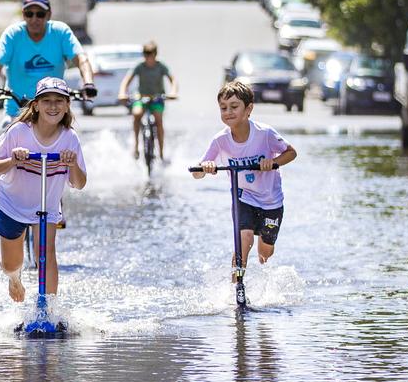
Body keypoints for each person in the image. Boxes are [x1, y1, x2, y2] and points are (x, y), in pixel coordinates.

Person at [0, 77, 87, 302]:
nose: (53, 107)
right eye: (47, 101)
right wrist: (13, 159)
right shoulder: (18, 132)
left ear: (67, 105)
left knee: (47, 253)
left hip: (46, 205)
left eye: (59, 101)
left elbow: (79, 184)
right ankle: (14, 280)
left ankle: (48, 309)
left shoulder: (70, 138)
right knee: (11, 264)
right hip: (12, 203)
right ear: (36, 105)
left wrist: (72, 164)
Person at [193, 80, 297, 274]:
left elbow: (291, 153)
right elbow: (197, 173)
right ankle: (237, 287)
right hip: (243, 197)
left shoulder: (265, 133)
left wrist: (273, 163)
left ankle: (264, 251)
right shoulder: (220, 140)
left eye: (234, 107)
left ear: (249, 109)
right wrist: (205, 167)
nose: (228, 112)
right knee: (244, 239)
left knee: (265, 253)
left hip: (270, 200)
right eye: (223, 108)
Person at [0, 0, 96, 128]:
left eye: (40, 14)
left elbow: (81, 59)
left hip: (52, 112)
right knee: (6, 141)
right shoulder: (13, 34)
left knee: (67, 141)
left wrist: (88, 83)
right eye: (29, 14)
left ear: (48, 14)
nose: (34, 19)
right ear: (23, 15)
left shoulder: (60, 32)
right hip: (17, 111)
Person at [118, 40, 179, 161]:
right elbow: (127, 80)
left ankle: (161, 152)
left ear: (155, 55)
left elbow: (173, 80)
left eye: (150, 55)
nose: (148, 58)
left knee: (158, 119)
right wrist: (122, 92)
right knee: (136, 114)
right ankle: (136, 146)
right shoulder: (139, 66)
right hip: (142, 97)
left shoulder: (161, 66)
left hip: (157, 98)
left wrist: (173, 92)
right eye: (146, 55)